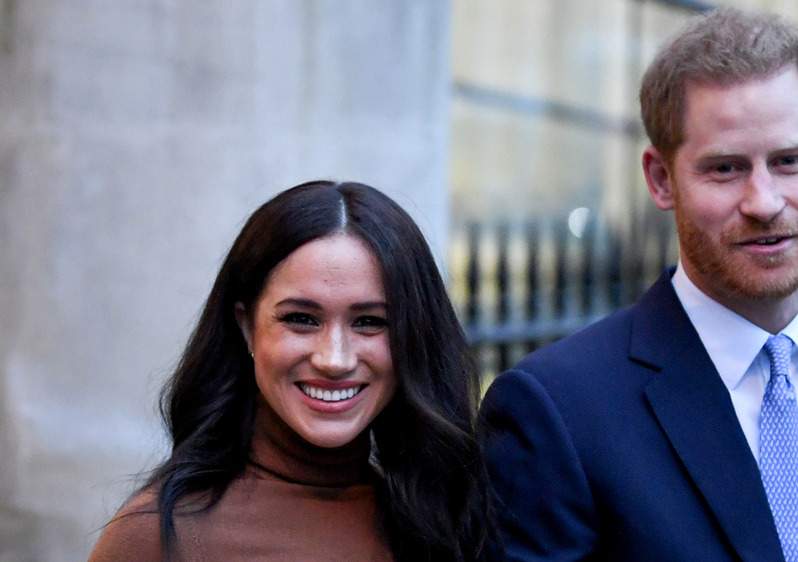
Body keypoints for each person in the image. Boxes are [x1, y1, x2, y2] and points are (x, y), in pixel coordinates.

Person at [479, 7, 798, 561]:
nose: (764, 202)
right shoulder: (558, 411)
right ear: (660, 179)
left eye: (789, 160)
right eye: (725, 168)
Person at [90, 180, 500, 561]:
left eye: (370, 322)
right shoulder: (158, 538)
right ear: (247, 327)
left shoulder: (446, 520)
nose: (334, 360)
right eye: (301, 319)